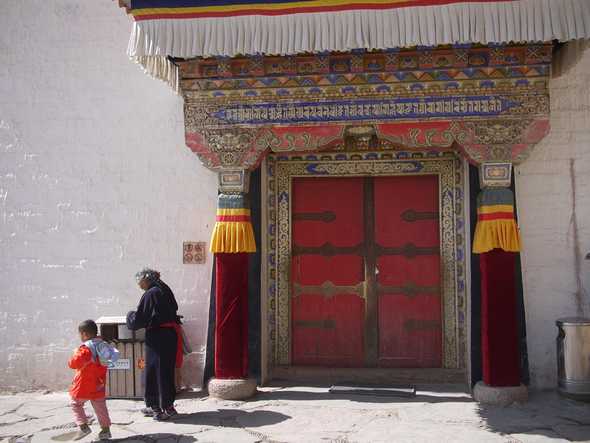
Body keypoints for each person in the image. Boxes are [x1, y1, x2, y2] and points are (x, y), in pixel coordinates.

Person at [127, 268, 182, 421]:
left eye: (140, 282)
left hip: (158, 337)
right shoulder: (165, 290)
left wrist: (130, 316)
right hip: (169, 336)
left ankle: (157, 408)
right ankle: (168, 406)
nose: (139, 286)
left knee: (154, 371)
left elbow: (140, 319)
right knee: (165, 371)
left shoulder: (151, 293)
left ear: (146, 279)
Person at [68, 320, 115, 441]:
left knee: (75, 403)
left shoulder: (86, 348)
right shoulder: (103, 345)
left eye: (80, 335)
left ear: (84, 334)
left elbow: (74, 363)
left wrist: (72, 357)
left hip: (84, 384)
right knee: (100, 407)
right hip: (99, 383)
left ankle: (83, 426)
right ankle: (105, 431)